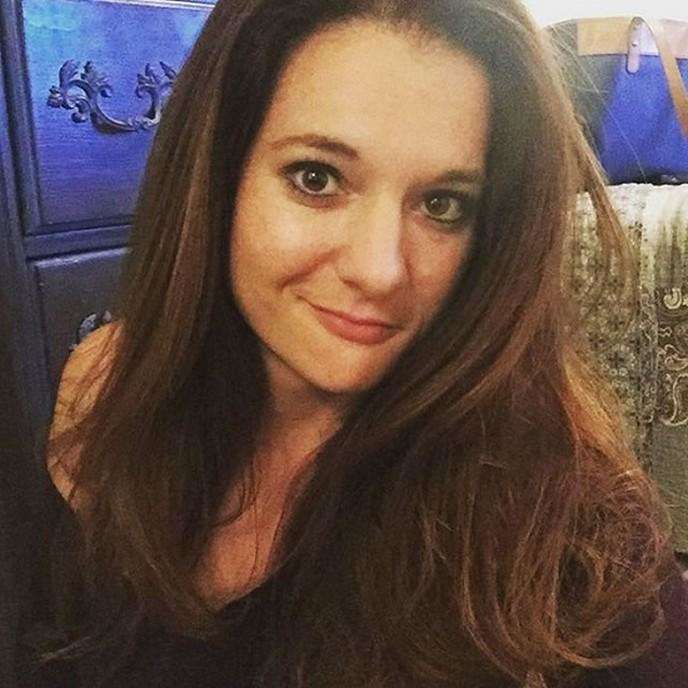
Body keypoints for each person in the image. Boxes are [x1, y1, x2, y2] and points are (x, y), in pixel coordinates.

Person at [15, 0, 688, 686]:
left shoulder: (572, 536)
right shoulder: (107, 401)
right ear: (217, 177)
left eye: (443, 204)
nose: (380, 270)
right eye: (317, 178)